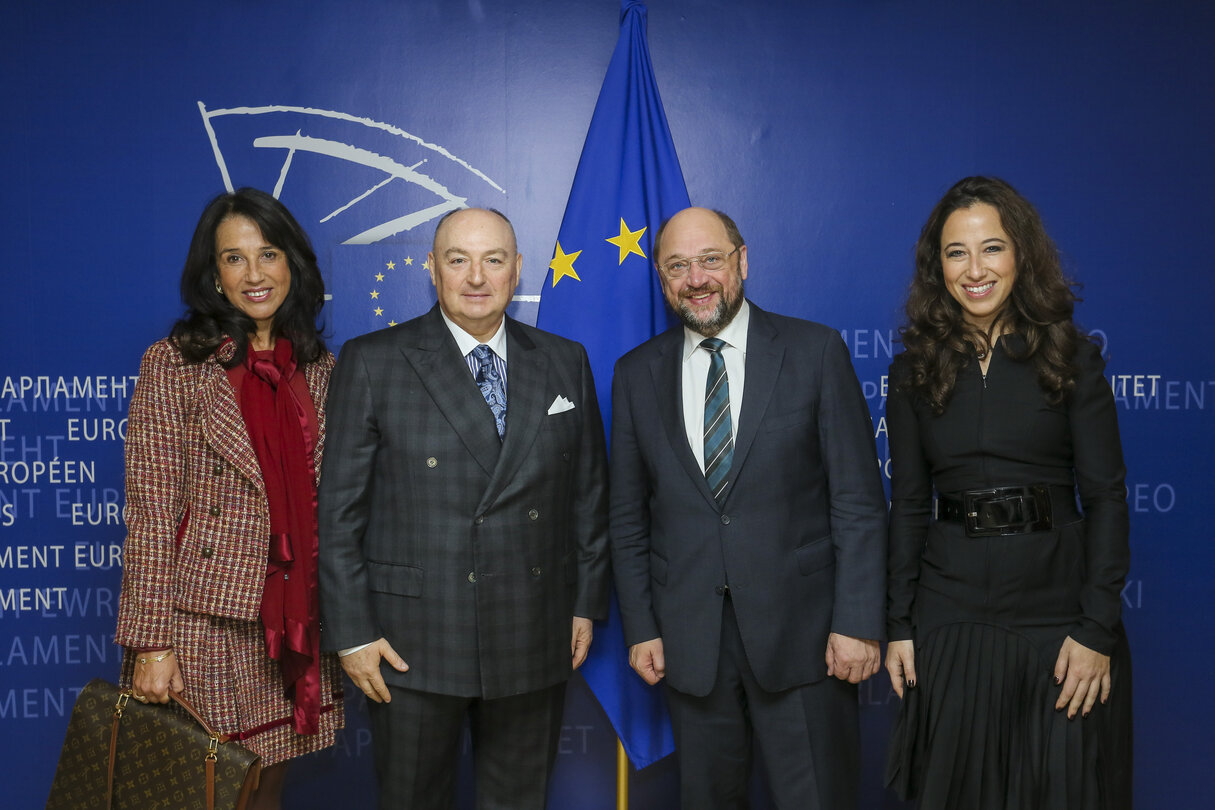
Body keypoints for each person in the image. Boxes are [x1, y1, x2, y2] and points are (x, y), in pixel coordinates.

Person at [317, 207, 610, 809]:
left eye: (493, 260)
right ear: (433, 269)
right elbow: (339, 514)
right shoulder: (374, 361)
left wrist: (585, 602)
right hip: (413, 642)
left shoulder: (564, 360)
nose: (476, 277)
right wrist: (351, 635)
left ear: (517, 269)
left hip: (534, 629)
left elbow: (588, 496)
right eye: (458, 260)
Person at [610, 206, 888, 809]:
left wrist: (859, 621)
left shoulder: (815, 351)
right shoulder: (635, 375)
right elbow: (628, 519)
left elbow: (859, 503)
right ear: (661, 279)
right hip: (690, 645)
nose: (696, 278)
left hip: (809, 638)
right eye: (677, 266)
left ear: (742, 261)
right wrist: (642, 627)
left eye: (710, 259)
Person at [884, 176, 1133, 809]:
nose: (975, 270)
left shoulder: (1072, 356)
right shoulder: (912, 368)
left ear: (1020, 254)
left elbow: (1106, 497)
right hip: (951, 616)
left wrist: (1097, 629)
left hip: (1059, 622)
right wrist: (899, 624)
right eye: (956, 252)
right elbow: (909, 504)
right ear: (937, 267)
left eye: (991, 248)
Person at [115, 187, 344, 809]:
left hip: (294, 618)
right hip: (203, 623)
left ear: (293, 263)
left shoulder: (322, 368)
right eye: (233, 258)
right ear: (213, 275)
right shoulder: (175, 365)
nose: (253, 274)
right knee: (207, 792)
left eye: (267, 254)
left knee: (266, 790)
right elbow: (152, 512)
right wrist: (150, 643)